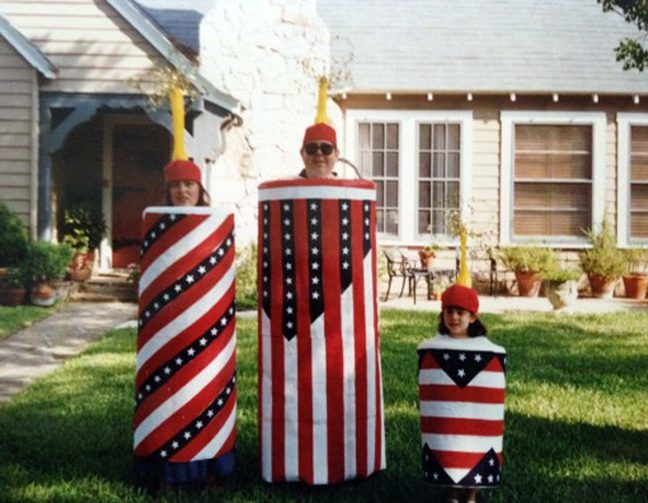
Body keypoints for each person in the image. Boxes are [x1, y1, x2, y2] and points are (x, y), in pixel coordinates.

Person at [418, 283, 506, 503]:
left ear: (473, 317)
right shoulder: (433, 347)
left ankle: (471, 494)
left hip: (475, 417)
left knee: (475, 446)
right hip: (446, 418)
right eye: (449, 311)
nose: (454, 317)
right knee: (447, 445)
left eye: (460, 312)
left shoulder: (488, 350)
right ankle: (452, 492)